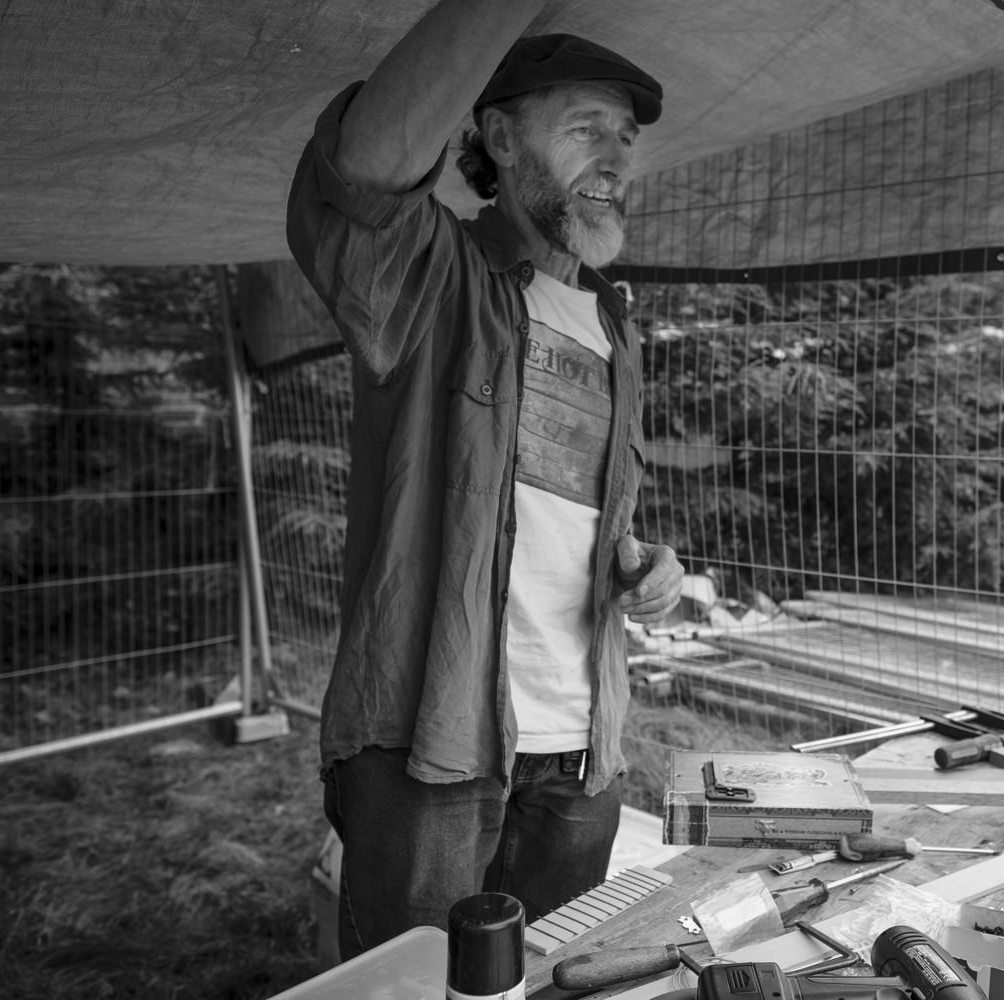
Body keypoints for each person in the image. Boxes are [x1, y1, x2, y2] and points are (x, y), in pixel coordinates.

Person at [285, 0, 684, 961]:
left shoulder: (615, 325)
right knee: (415, 987)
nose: (615, 160)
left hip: (583, 749)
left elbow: (576, 515)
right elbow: (360, 178)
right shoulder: (431, 275)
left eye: (623, 139)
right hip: (429, 745)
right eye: (585, 128)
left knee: (544, 979)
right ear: (498, 137)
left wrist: (645, 569)